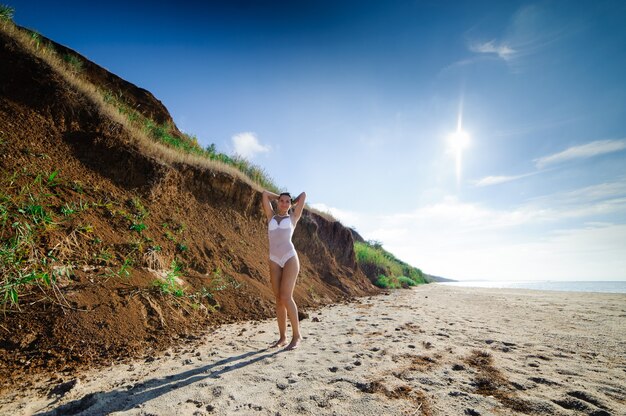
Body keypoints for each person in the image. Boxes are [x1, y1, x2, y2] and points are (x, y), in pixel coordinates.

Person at [262, 190, 306, 350]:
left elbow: (304, 195)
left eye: (288, 201)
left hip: (289, 258)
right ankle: (282, 338)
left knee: (286, 296)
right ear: (278, 202)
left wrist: (293, 202)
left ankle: (297, 335)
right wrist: (276, 197)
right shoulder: (271, 216)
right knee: (278, 299)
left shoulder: (293, 217)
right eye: (282, 200)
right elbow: (264, 194)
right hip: (273, 259)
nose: (284, 203)